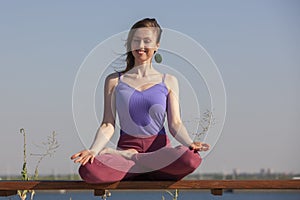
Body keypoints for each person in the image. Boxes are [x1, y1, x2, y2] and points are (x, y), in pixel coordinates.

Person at [71, 18, 210, 183]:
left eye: (147, 41)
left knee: (191, 159)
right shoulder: (114, 81)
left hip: (159, 155)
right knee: (89, 170)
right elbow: (108, 123)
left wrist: (190, 143)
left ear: (157, 45)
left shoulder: (169, 81)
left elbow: (175, 124)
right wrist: (94, 150)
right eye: (136, 40)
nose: (141, 45)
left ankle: (138, 162)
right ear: (130, 44)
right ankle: (143, 167)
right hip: (125, 156)